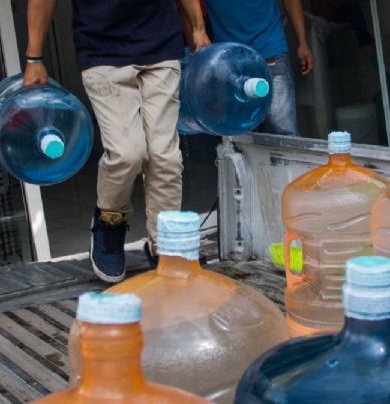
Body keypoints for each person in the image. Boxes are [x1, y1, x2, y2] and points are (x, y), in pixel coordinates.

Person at [23, 0, 211, 282]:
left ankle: (166, 242)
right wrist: (34, 57)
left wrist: (198, 28)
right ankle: (109, 221)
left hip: (161, 47)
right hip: (102, 52)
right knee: (127, 153)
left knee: (165, 155)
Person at [202, 0, 314, 136]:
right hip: (228, 58)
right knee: (239, 135)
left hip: (269, 50)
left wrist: (302, 41)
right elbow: (187, 7)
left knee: (284, 131)